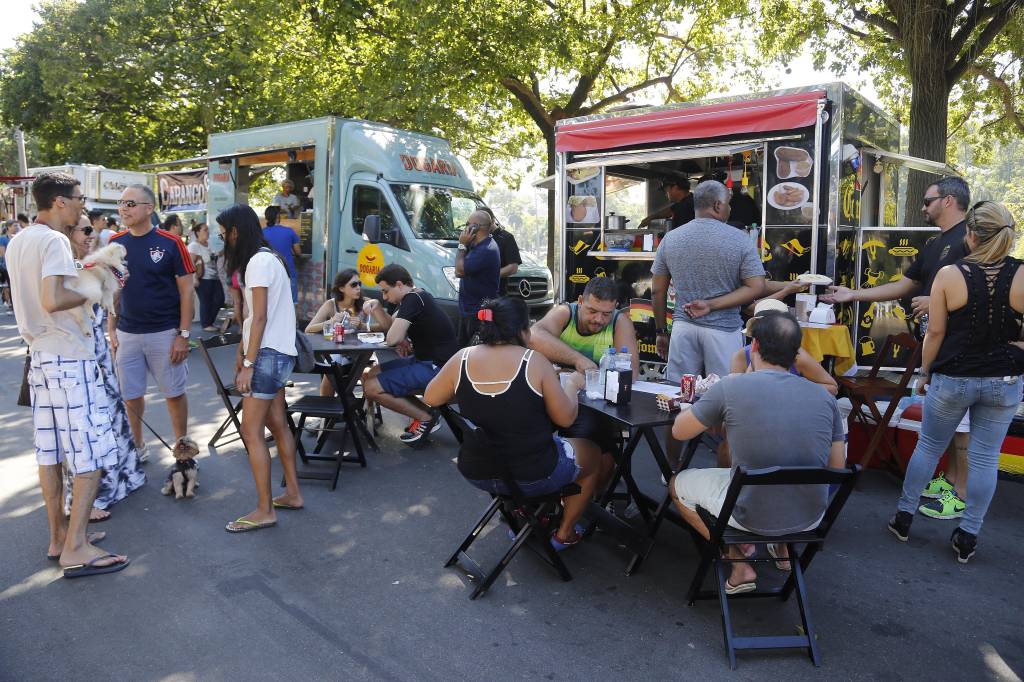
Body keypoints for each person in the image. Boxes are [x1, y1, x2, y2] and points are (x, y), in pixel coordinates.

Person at [822, 176, 972, 518]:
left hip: (961, 345)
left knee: (960, 423)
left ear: (948, 201)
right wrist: (853, 294)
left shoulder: (970, 239)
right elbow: (905, 285)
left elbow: (977, 291)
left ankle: (961, 491)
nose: (923, 207)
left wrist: (936, 301)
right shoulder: (936, 244)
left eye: (928, 200)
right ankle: (950, 479)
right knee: (946, 417)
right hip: (937, 342)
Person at [7, 171, 129, 577]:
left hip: (40, 357)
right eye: (77, 198)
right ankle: (76, 546)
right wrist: (101, 283)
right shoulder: (55, 239)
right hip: (67, 357)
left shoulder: (20, 239)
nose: (82, 205)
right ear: (59, 202)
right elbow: (53, 298)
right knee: (90, 454)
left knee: (51, 453)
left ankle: (60, 536)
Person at [670, 311, 845, 593]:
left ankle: (738, 563)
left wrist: (703, 409)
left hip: (750, 513)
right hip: (810, 516)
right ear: (796, 353)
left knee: (677, 484)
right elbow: (837, 467)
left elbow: (679, 432)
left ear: (755, 347)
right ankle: (780, 549)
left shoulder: (731, 386)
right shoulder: (825, 398)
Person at [888, 202, 1023, 563]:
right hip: (1004, 379)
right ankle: (968, 535)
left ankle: (904, 517)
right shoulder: (1023, 274)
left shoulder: (950, 274)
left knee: (929, 446)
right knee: (984, 459)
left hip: (954, 375)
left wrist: (925, 373)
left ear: (972, 235)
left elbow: (935, 332)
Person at [425, 297, 614, 549]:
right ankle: (564, 533)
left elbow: (431, 396)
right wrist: (571, 384)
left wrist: (468, 389)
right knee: (591, 452)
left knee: (536, 448)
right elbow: (566, 417)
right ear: (524, 330)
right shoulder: (533, 361)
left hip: (478, 471)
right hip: (533, 475)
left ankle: (529, 515)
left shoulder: (462, 358)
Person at [652, 180, 766, 466]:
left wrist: (660, 331)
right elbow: (756, 287)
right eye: (727, 202)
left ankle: (671, 468)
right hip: (724, 331)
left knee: (677, 400)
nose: (728, 207)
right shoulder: (739, 240)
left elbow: (657, 290)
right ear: (717, 205)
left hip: (682, 328)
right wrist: (713, 304)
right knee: (729, 404)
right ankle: (725, 473)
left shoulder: (672, 238)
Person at [217, 204, 303, 532]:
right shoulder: (268, 259)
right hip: (277, 352)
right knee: (278, 423)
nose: (224, 240)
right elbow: (255, 316)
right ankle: (292, 493)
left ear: (236, 232)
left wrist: (248, 364)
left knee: (250, 431)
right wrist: (242, 349)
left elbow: (261, 316)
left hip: (268, 356)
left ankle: (265, 509)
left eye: (225, 234)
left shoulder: (257, 262)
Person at [61, 214, 146, 521]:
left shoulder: (93, 263)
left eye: (92, 230)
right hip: (77, 357)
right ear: (69, 232)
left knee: (111, 417)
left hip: (98, 354)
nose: (91, 235)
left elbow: (107, 304)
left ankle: (121, 478)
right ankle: (90, 497)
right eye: (85, 230)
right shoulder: (64, 268)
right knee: (89, 430)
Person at [109, 184, 198, 463]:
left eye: (131, 203)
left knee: (174, 393)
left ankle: (182, 448)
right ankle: (137, 447)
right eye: (121, 203)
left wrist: (183, 334)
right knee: (131, 397)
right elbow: (113, 289)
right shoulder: (115, 242)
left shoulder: (172, 243)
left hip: (164, 332)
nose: (124, 208)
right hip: (127, 333)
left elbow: (187, 291)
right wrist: (111, 329)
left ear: (149, 208)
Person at [529, 276, 639, 465]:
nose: (598, 319)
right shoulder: (566, 313)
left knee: (595, 445)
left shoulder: (619, 322)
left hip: (596, 405)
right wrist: (578, 359)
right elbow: (534, 336)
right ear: (580, 302)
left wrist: (572, 372)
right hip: (557, 397)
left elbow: (631, 372)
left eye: (606, 314)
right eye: (592, 311)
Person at [363, 264, 459, 445]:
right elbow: (392, 328)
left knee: (371, 388)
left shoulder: (413, 298)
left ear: (399, 285)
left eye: (385, 291)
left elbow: (391, 337)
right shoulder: (417, 296)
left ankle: (425, 418)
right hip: (427, 361)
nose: (385, 297)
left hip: (438, 368)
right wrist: (377, 308)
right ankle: (427, 414)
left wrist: (400, 338)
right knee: (372, 373)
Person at [731, 299, 838, 396]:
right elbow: (735, 395)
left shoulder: (798, 357)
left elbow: (832, 388)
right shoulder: (741, 356)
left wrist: (794, 388)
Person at [305, 268, 372, 396]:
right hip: (337, 352)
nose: (358, 288)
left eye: (359, 284)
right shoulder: (331, 305)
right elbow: (309, 329)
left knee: (367, 374)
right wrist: (330, 322)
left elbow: (380, 327)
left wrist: (362, 325)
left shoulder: (365, 303)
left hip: (359, 353)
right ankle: (329, 413)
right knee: (332, 372)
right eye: (353, 285)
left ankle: (365, 410)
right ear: (341, 288)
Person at [456, 209, 501, 346]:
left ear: (474, 227)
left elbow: (459, 271)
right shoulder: (480, 245)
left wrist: (461, 245)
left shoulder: (486, 250)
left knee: (470, 353)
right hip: (470, 309)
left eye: (467, 224)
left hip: (476, 312)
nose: (465, 228)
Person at [188, 222, 226, 331]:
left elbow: (215, 255)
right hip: (203, 278)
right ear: (198, 232)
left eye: (208, 229)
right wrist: (194, 277)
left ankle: (210, 322)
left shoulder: (209, 244)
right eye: (205, 230)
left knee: (219, 299)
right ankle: (206, 324)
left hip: (214, 276)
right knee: (206, 301)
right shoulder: (194, 246)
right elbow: (190, 263)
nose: (207, 232)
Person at [262, 205, 301, 303]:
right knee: (291, 303)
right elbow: (298, 252)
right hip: (288, 272)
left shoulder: (261, 233)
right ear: (278, 217)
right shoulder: (289, 231)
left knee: (271, 303)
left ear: (266, 217)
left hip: (267, 273)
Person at [480, 206, 522, 292]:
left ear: (492, 219)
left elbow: (513, 267)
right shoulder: (478, 236)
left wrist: (490, 276)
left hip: (498, 291)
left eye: (483, 223)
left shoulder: (507, 237)